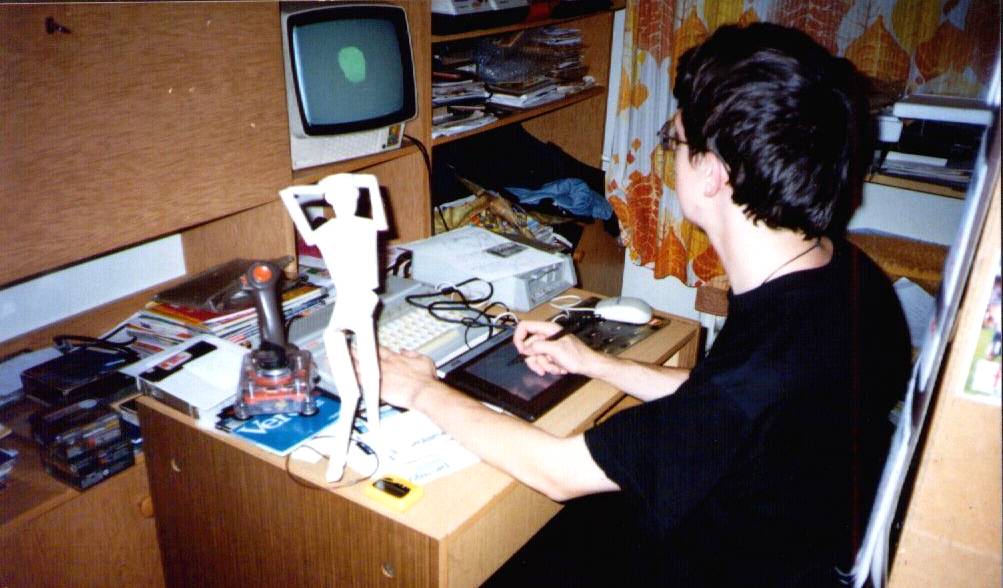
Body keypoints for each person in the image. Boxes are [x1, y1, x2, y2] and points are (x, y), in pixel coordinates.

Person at [379, 22, 911, 586]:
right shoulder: (845, 274)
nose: (670, 155)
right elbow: (726, 401)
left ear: (713, 173)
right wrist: (595, 363)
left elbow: (558, 472)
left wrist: (421, 389)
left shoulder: (764, 371)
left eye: (674, 141)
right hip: (790, 544)